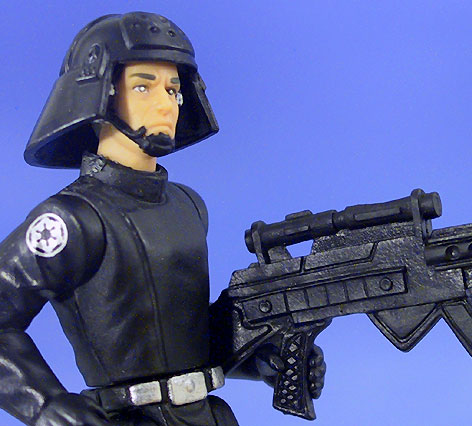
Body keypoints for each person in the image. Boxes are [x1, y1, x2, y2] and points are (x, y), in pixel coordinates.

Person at [0, 12, 324, 426]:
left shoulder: (188, 206)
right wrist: (46, 406)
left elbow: (183, 336)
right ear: (100, 96)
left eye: (173, 89)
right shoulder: (72, 219)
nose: (166, 103)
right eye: (143, 86)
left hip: (209, 415)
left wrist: (258, 355)